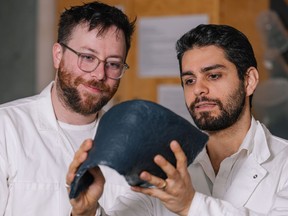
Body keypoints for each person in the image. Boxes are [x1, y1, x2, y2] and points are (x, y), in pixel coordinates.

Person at [67, 24, 288, 215]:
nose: (199, 89)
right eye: (189, 80)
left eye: (213, 75)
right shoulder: (166, 162)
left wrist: (190, 205)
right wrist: (87, 212)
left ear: (249, 81)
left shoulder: (284, 164)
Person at [0, 1, 135, 215]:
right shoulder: (6, 129)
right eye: (88, 57)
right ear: (58, 55)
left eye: (113, 63)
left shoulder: (133, 145)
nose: (99, 74)